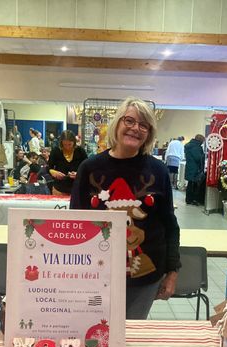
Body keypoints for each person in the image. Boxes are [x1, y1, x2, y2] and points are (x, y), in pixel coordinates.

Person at [71, 97, 181, 320]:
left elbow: (170, 225)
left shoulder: (158, 170)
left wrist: (172, 272)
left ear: (149, 133)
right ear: (117, 124)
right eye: (129, 121)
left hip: (145, 277)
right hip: (97, 273)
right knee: (96, 330)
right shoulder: (89, 168)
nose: (135, 129)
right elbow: (75, 223)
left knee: (131, 335)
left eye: (143, 125)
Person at [48, 130, 87, 196]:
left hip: (77, 188)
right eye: (65, 144)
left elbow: (86, 168)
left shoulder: (80, 151)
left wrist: (79, 174)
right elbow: (49, 167)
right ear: (61, 143)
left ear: (74, 142)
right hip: (59, 188)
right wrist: (53, 172)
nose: (67, 147)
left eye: (70, 144)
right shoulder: (56, 151)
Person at [184, 134, 205, 206]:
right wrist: (203, 155)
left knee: (190, 183)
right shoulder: (196, 147)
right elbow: (198, 158)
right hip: (195, 168)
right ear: (200, 140)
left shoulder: (189, 145)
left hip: (190, 167)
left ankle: (188, 199)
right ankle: (192, 199)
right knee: (195, 184)